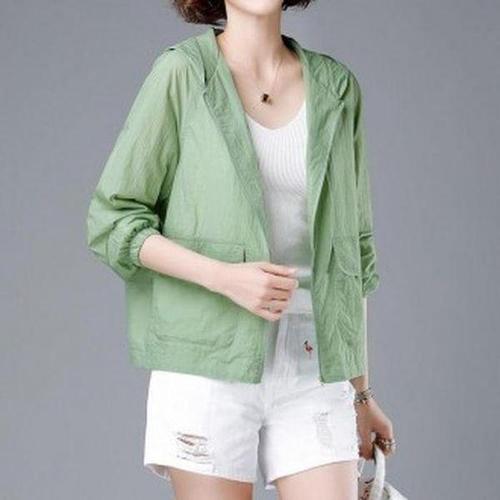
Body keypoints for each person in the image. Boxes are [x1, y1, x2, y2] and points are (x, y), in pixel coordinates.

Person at [86, 1, 396, 498]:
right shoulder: (182, 75)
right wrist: (223, 277)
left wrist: (361, 393)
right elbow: (113, 220)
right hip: (207, 361)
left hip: (313, 364)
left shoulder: (336, 87)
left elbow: (353, 255)